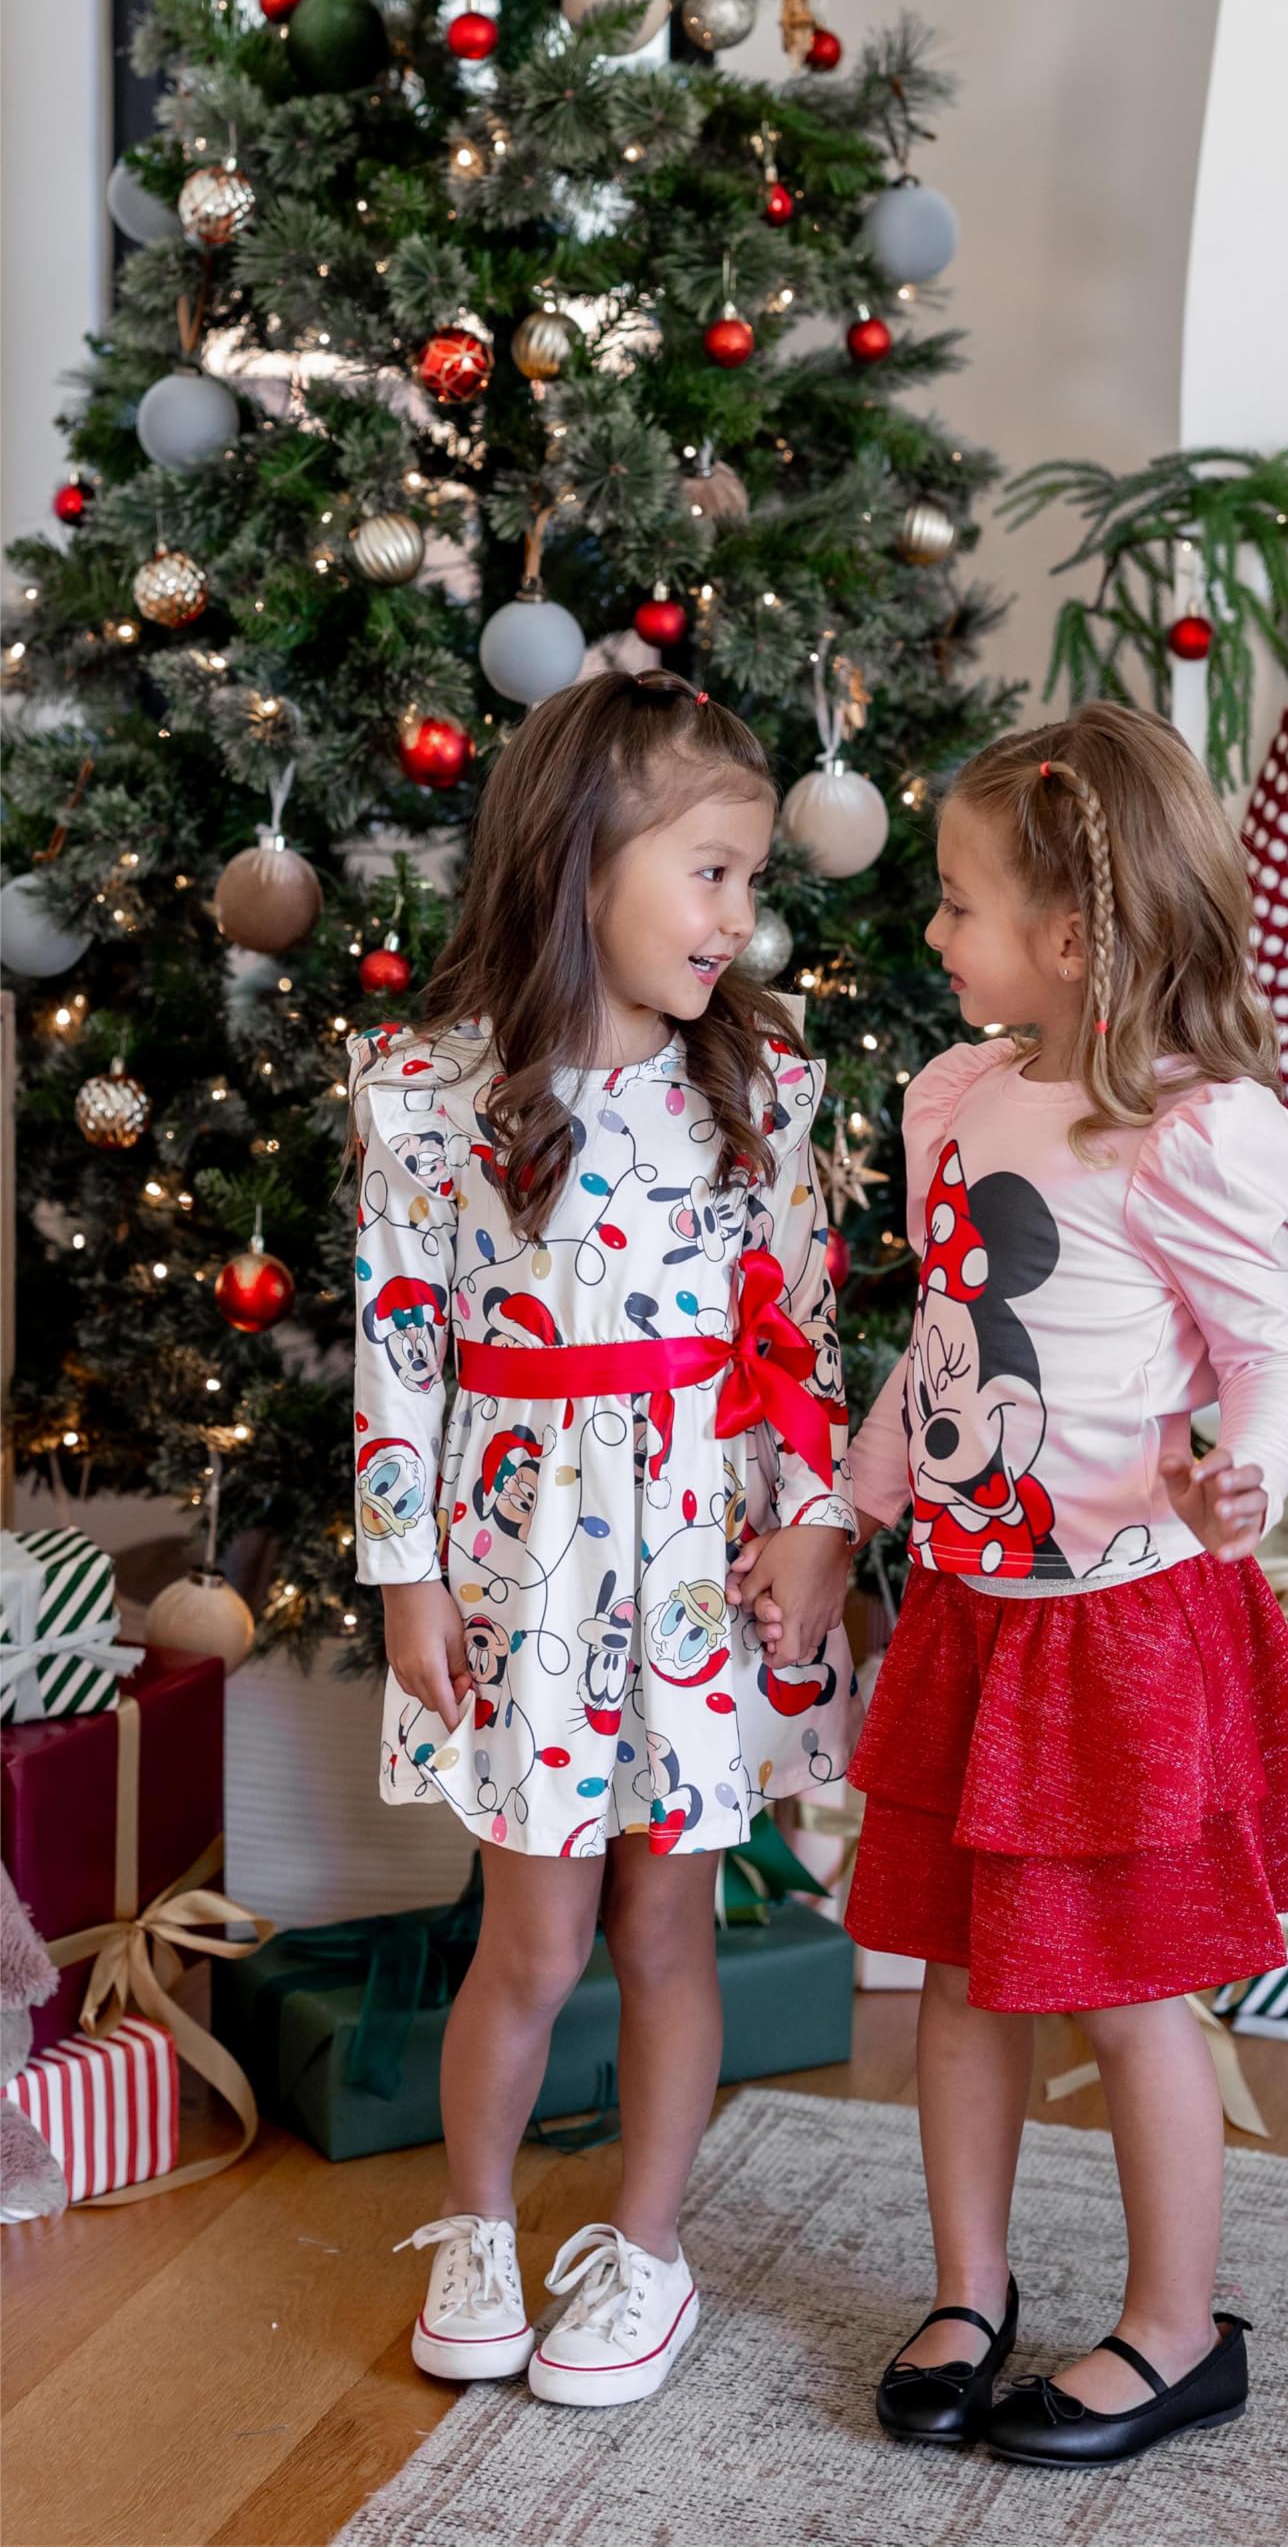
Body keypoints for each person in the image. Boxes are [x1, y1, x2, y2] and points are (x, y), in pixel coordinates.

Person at [784, 702, 1288, 2466]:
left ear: (1077, 934)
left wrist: (1246, 1475)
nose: (932, 930)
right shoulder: (956, 1100)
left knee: (1126, 1985)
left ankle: (1177, 2331)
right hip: (976, 1622)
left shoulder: (1183, 1132)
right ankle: (970, 2288)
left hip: (1123, 1632)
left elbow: (1269, 1355)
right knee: (961, 1969)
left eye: (958, 903)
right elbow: (940, 1350)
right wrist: (844, 1513)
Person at [351, 671, 858, 2409]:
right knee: (533, 1942)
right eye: (709, 873)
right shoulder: (428, 1091)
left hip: (700, 1557)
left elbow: (799, 1330)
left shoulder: (760, 1086)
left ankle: (646, 2252)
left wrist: (816, 1530)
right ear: (580, 862)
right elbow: (398, 1350)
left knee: (665, 1931)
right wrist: (406, 1576)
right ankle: (478, 2231)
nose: (738, 917)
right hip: (527, 1566)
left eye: (749, 879)